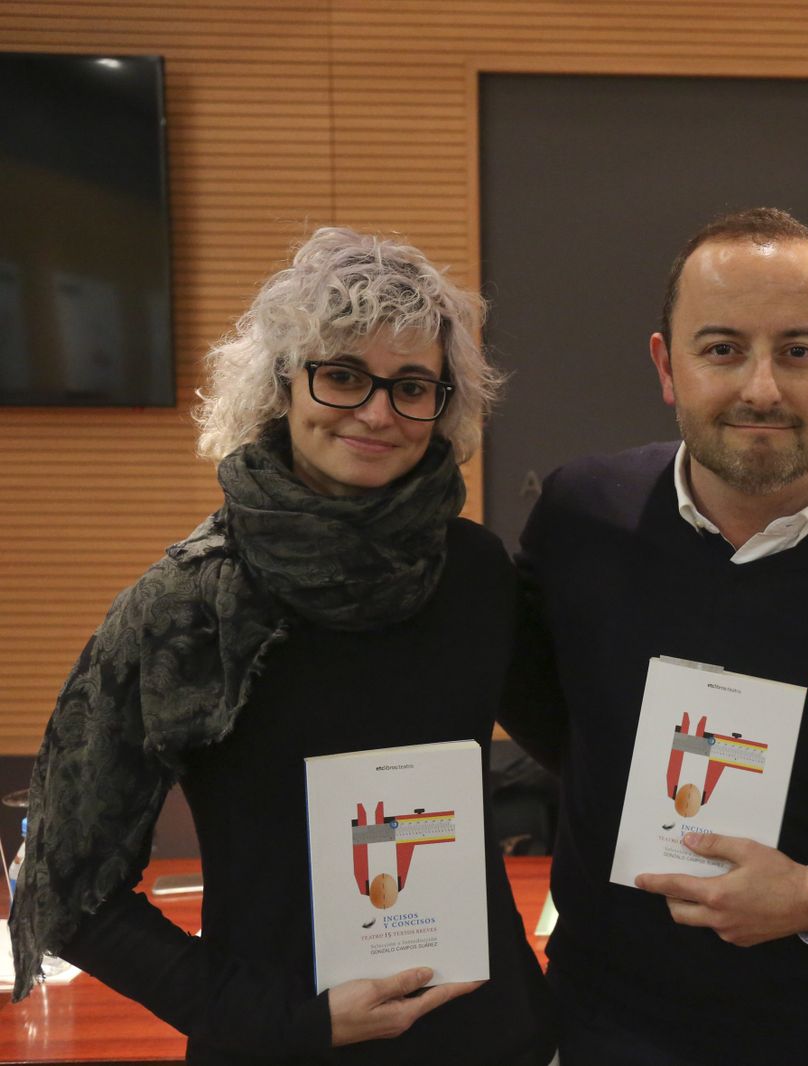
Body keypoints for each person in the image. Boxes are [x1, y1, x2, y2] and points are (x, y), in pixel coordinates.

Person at [9, 227, 558, 1065]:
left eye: (411, 385)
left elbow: (579, 748)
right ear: (282, 385)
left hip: (494, 1039)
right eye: (342, 375)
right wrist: (282, 1018)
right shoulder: (191, 605)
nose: (377, 412)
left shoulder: (477, 574)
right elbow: (68, 891)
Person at [506, 207, 808, 1066]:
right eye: (722, 349)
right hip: (603, 1026)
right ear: (667, 366)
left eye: (798, 351)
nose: (761, 388)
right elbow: (555, 719)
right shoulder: (581, 519)